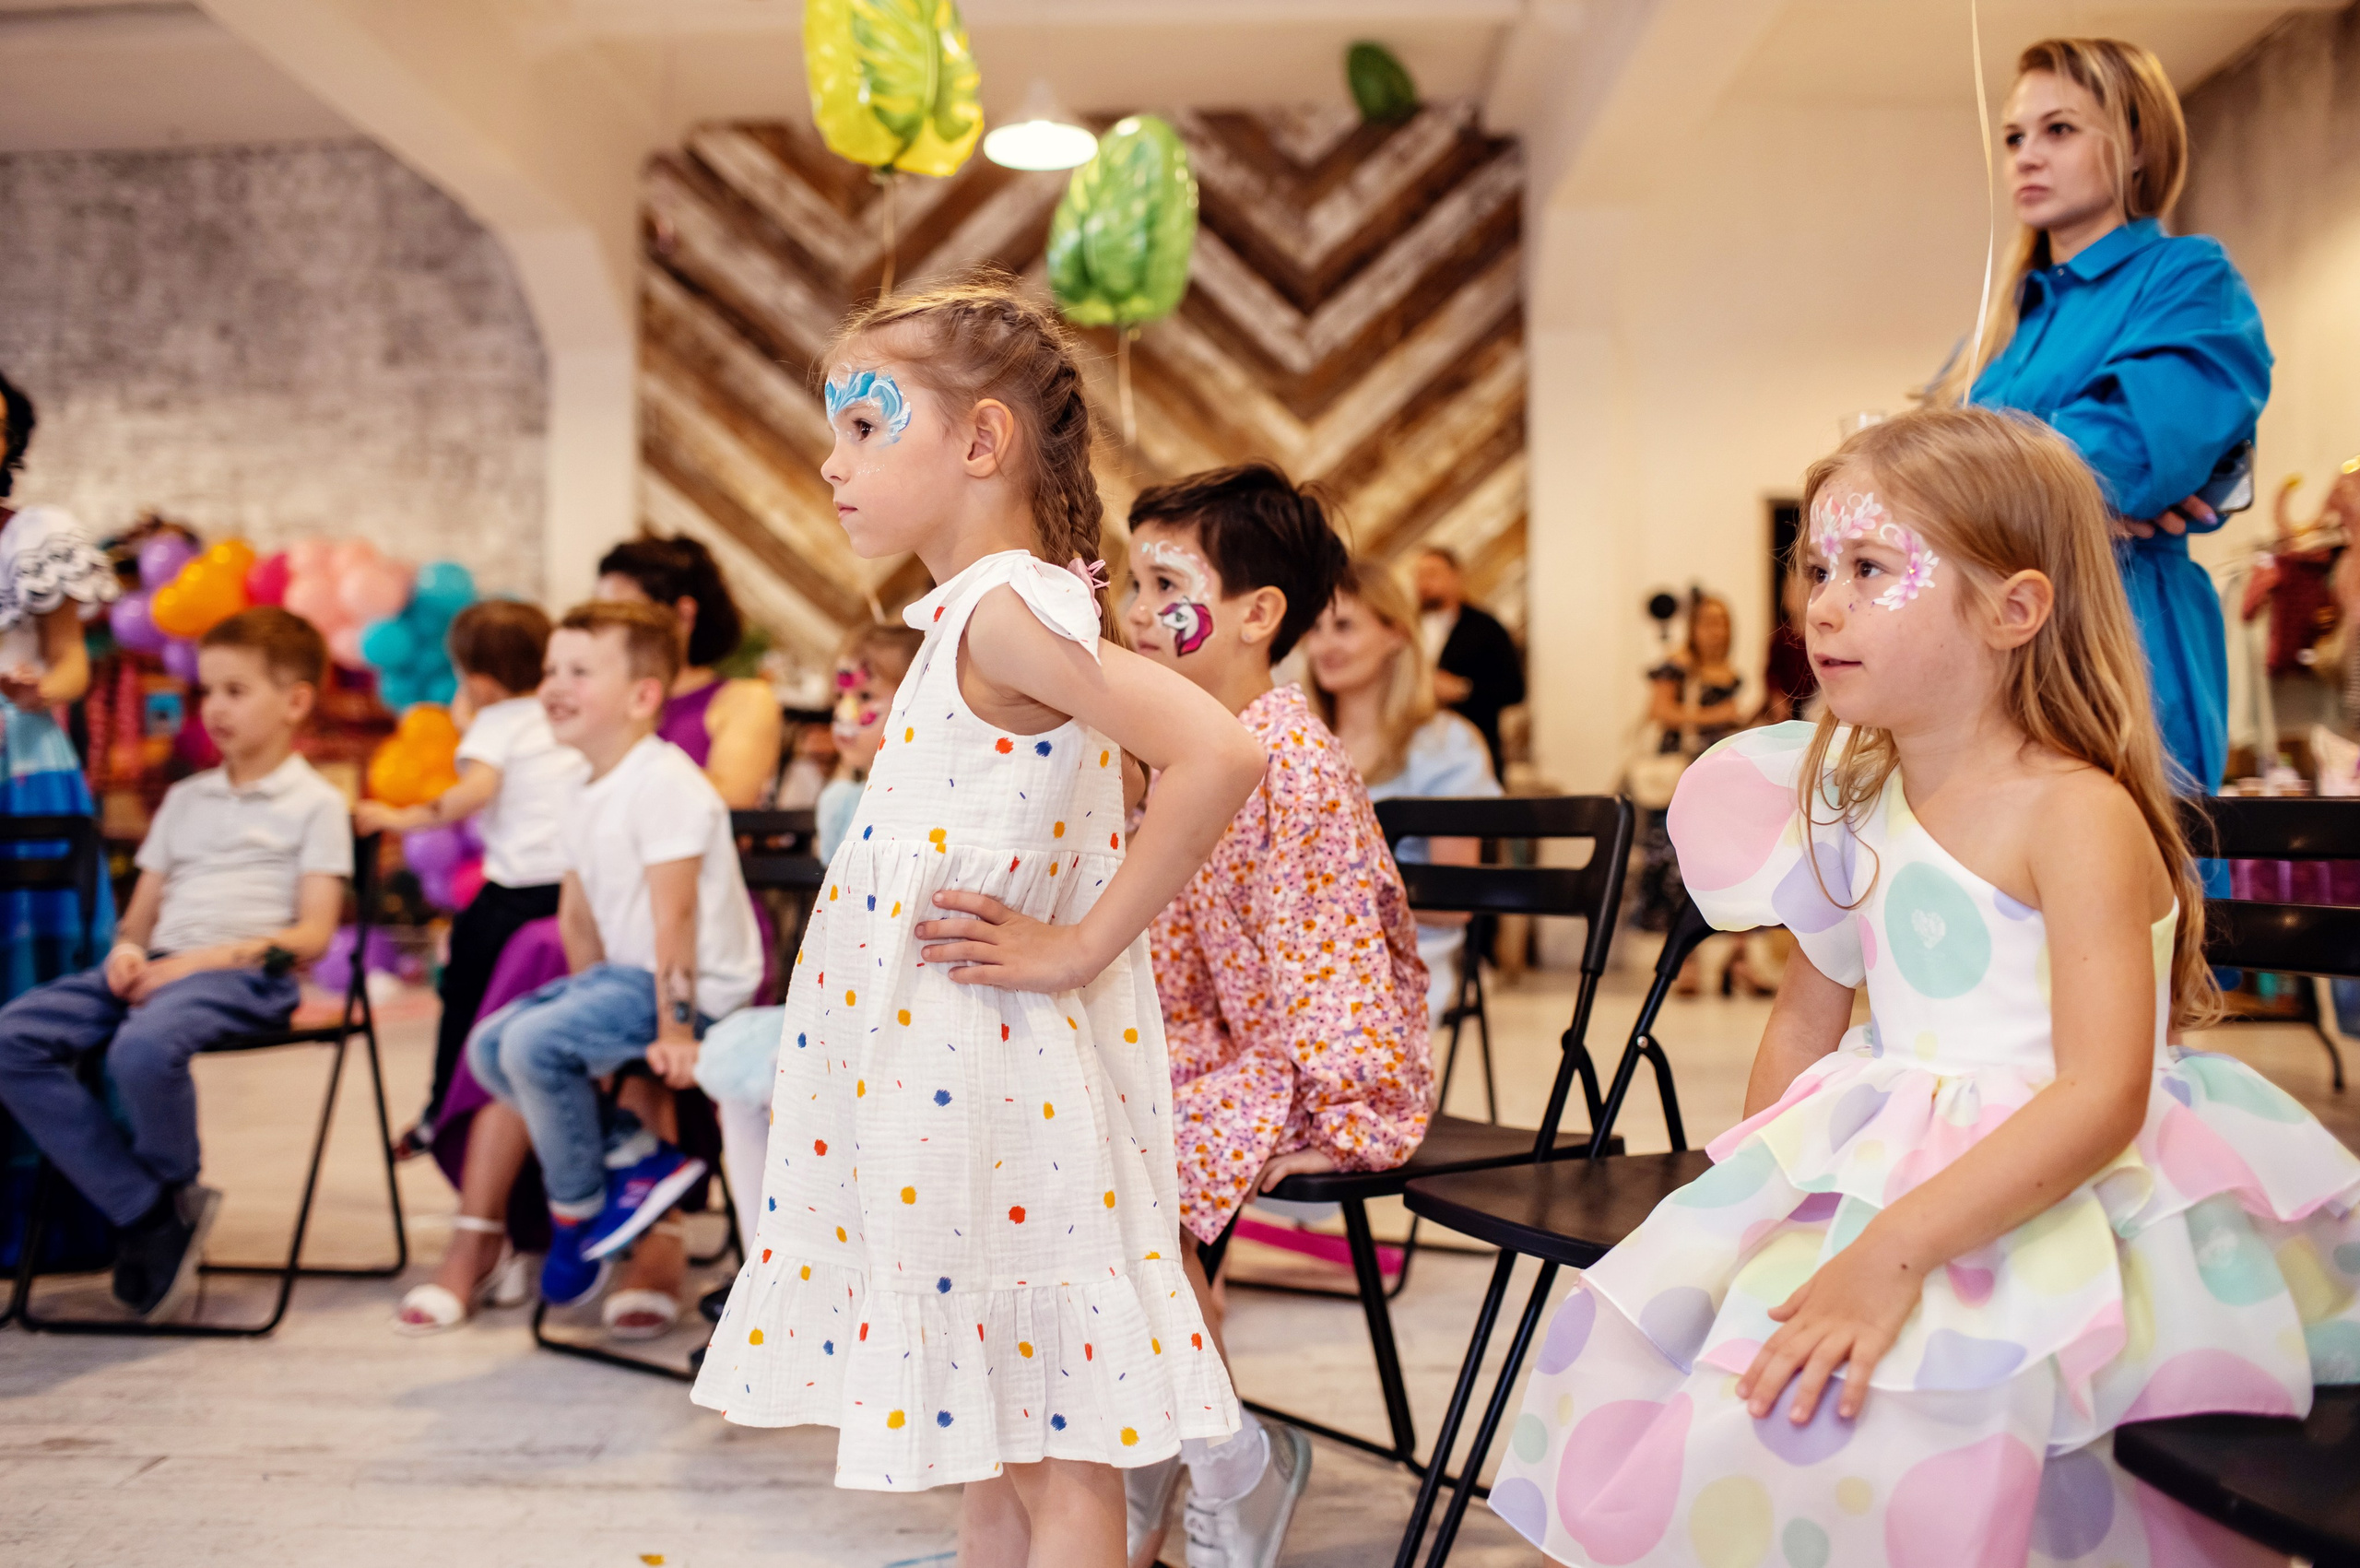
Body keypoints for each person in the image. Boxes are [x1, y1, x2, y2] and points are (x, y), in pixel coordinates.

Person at [1489, 407, 2360, 1567]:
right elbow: (1807, 1018)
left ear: (2015, 609)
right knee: (1732, 1382)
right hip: (1873, 1163)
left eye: (1869, 570)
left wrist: (1895, 1253)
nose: (1823, 606)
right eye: (1816, 570)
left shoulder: (2075, 814)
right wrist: (1742, 1200)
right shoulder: (1850, 797)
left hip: (2054, 1184)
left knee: (1939, 1424)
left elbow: (2102, 1093)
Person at [690, 274, 1263, 1568]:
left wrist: (1080, 943)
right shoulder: (972, 611)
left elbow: (1218, 752)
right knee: (997, 1417)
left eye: (863, 425)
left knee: (1055, 1440)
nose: (830, 461)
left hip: (994, 1071)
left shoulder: (1009, 608)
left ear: (981, 441)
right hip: (945, 1070)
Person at [1125, 468, 1434, 1568]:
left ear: (1258, 616)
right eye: (1130, 580)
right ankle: (1174, 1444)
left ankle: (1225, 1464)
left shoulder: (1288, 764)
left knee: (1111, 1170)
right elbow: (1178, 962)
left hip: (1320, 1067)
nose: (1134, 608)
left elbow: (1335, 963)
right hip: (1231, 1056)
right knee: (1070, 1131)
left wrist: (1340, 1108)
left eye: (1167, 583)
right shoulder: (1182, 753)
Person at [1940, 37, 2271, 793]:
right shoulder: (2002, 328)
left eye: (2059, 130)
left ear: (2136, 145)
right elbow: (1914, 486)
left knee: (2128, 896)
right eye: (2015, 137)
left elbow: (2126, 460)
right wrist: (2061, 494)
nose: (2026, 155)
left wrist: (2004, 496)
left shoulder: (2188, 278)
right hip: (1996, 661)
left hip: (2122, 641)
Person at [0, 608, 349, 1318]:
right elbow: (138, 916)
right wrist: (129, 952)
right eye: (206, 692)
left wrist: (194, 965)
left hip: (243, 974)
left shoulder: (316, 804)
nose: (213, 707)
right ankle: (150, 1211)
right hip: (155, 967)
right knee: (13, 1038)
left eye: (234, 690)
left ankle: (163, 1194)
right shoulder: (185, 799)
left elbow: (312, 934)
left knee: (144, 1046)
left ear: (296, 701)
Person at [466, 600, 763, 1316]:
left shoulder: (663, 782)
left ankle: (575, 1211)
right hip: (624, 978)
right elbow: (579, 911)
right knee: (491, 1047)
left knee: (535, 1045)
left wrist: (676, 1027)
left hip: (695, 984)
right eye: (549, 670)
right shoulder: (578, 782)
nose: (552, 685)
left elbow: (678, 917)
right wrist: (580, 1002)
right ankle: (634, 1154)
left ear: (642, 696)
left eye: (578, 671)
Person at [364, 600, 588, 1334]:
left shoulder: (496, 721)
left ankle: (438, 1113)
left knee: (468, 1025)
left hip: (513, 904)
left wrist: (403, 817)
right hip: (572, 900)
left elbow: (475, 793)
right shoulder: (562, 715)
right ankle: (529, 1228)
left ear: (477, 679)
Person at [694, 619, 923, 1262]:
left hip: (902, 999)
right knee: (740, 1070)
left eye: (867, 699)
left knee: (790, 1078)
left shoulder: (921, 801)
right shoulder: (840, 799)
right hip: (843, 993)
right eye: (840, 697)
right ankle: (765, 1255)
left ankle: (831, 1251)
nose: (846, 716)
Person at [1304, 554, 1497, 1031]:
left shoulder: (1445, 746)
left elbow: (1453, 905)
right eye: (1315, 629)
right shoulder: (1298, 741)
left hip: (1402, 963)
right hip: (1297, 958)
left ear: (1397, 634)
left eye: (1344, 626)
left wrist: (1329, 885)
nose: (1325, 645)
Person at [0, 371, 120, 1001]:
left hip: (19, 760)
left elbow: (71, 662)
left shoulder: (33, 536)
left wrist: (37, 691)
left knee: (31, 942)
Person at [596, 535, 784, 809]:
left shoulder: (745, 699)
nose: (604, 628)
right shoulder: (609, 696)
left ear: (683, 615)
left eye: (623, 613)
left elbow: (733, 797)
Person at [1633, 593, 1744, 941]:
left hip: (1718, 774)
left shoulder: (1730, 673)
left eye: (1723, 623)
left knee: (1725, 860)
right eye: (1709, 623)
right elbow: (1661, 712)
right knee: (1680, 863)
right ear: (1693, 628)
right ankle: (1685, 962)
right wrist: (1717, 716)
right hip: (1683, 773)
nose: (1717, 631)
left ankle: (1735, 960)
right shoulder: (1677, 665)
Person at [1410, 546, 1524, 777]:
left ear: (1455, 577)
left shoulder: (1486, 628)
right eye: (1419, 575)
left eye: (1432, 574)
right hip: (1415, 751)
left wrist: (1464, 689)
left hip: (1472, 751)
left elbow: (1515, 690)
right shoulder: (1404, 629)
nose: (1424, 583)